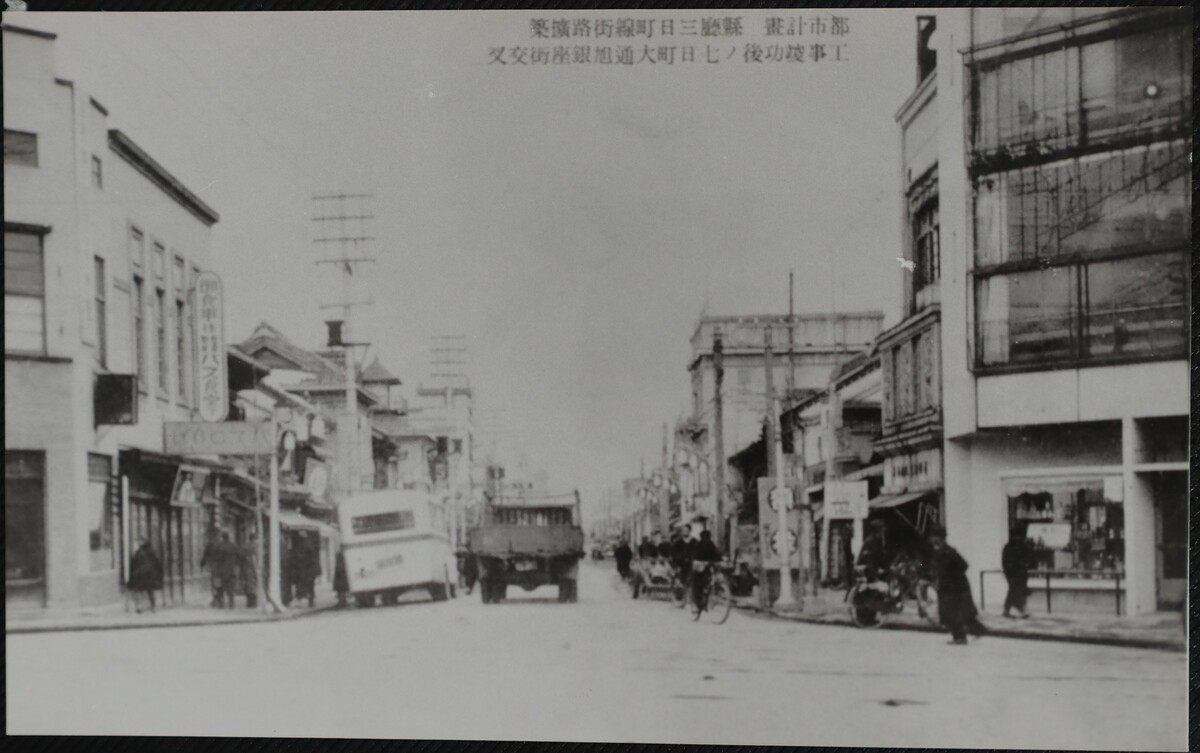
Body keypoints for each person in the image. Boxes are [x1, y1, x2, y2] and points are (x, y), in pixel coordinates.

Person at [928, 526, 987, 645]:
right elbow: (932, 566)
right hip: (947, 587)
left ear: (940, 538)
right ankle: (972, 633)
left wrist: (952, 575)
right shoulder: (937, 551)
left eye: (934, 537)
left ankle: (962, 637)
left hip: (955, 587)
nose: (932, 540)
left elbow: (964, 565)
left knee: (954, 613)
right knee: (952, 613)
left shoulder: (949, 552)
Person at [1002, 525, 1032, 619]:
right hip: (1016, 572)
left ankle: (1009, 609)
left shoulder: (1009, 547)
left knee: (1015, 590)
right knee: (1016, 590)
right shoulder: (1019, 546)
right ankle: (1020, 609)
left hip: (1015, 572)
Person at [128, 537, 164, 613]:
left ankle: (139, 607)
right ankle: (153, 607)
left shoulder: (138, 553)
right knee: (150, 591)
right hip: (150, 575)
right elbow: (157, 564)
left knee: (139, 591)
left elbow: (133, 565)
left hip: (140, 575)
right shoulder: (151, 552)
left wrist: (133, 575)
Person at [690, 529, 722, 607]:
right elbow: (695, 555)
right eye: (705, 537)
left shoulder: (709, 544)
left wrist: (719, 560)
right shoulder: (699, 544)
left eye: (707, 537)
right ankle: (697, 601)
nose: (706, 538)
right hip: (700, 567)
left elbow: (716, 554)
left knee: (709, 580)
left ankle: (707, 596)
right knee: (699, 583)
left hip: (708, 566)